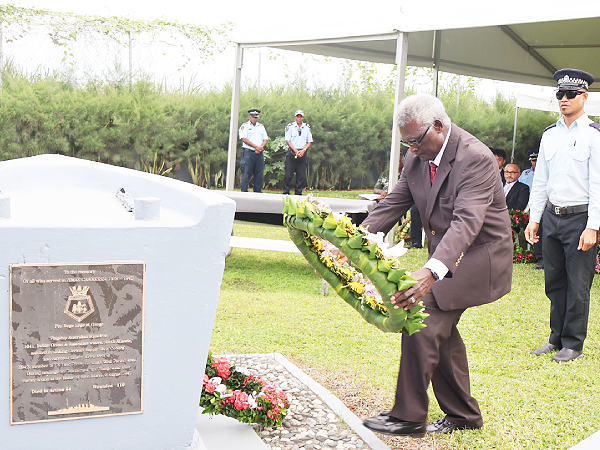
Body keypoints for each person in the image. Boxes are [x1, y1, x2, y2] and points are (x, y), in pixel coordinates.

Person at [361, 94, 513, 437]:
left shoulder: (476, 158)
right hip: (449, 253)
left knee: (423, 310)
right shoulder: (415, 158)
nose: (412, 150)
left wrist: (431, 271)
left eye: (416, 141)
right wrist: (347, 242)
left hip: (482, 255)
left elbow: (466, 223)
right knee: (441, 333)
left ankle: (409, 415)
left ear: (440, 126)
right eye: (406, 143)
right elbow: (392, 205)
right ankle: (463, 415)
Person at [526, 68, 600, 363]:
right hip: (552, 218)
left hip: (580, 218)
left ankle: (573, 343)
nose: (564, 99)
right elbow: (541, 180)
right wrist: (534, 218)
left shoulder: (594, 136)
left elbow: (598, 184)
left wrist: (593, 226)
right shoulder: (550, 135)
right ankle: (556, 337)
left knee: (578, 284)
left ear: (584, 97)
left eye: (571, 94)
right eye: (560, 94)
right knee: (553, 281)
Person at [519, 150, 544, 269]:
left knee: (542, 229)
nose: (535, 162)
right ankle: (540, 258)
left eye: (537, 160)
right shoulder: (526, 173)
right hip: (527, 202)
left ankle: (545, 258)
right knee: (535, 229)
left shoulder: (545, 172)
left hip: (542, 203)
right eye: (533, 160)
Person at [283, 110, 313, 196]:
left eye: (301, 116)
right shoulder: (290, 126)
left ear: (303, 117)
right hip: (292, 152)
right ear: (295, 117)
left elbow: (309, 141)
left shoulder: (307, 127)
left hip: (302, 152)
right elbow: (287, 140)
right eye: (297, 116)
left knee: (301, 176)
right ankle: (286, 192)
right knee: (288, 175)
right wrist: (295, 151)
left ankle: (298, 193)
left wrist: (303, 150)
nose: (299, 118)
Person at [238, 108, 268, 192]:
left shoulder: (261, 126)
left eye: (256, 117)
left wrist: (261, 147)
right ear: (249, 117)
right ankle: (244, 192)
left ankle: (257, 192)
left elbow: (265, 139)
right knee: (246, 173)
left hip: (259, 153)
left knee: (259, 174)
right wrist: (256, 147)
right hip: (249, 153)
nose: (255, 119)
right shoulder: (245, 126)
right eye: (253, 117)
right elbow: (244, 138)